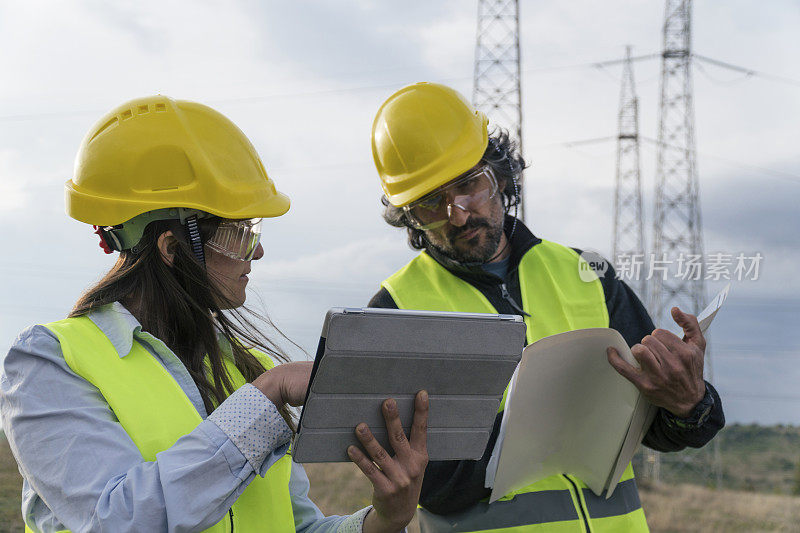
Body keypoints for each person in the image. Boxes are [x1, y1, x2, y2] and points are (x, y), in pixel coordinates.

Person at [0, 95, 429, 533]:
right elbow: (119, 520)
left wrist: (384, 520)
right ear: (172, 247)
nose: (257, 251)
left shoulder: (249, 370)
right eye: (240, 232)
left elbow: (294, 527)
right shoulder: (48, 364)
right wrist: (266, 397)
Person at [367, 82, 725, 532]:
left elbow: (658, 428)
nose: (457, 214)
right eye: (430, 205)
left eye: (467, 186)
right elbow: (411, 483)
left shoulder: (586, 274)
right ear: (409, 217)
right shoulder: (395, 312)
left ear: (499, 174)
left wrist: (690, 404)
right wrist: (530, 433)